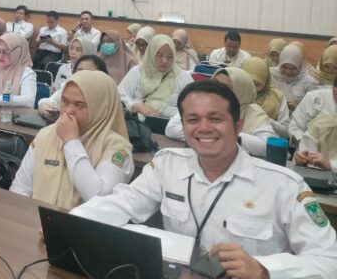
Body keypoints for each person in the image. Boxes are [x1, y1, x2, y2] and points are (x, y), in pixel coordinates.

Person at [70, 80, 337, 278]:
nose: (204, 128)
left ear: (238, 125)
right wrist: (72, 225)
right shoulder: (167, 164)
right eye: (193, 120)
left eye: (215, 119)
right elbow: (121, 203)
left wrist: (265, 270)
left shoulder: (284, 185)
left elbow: (329, 260)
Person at [10, 70, 133, 209]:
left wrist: (71, 142)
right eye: (65, 102)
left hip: (80, 223)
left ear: (100, 109)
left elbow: (99, 199)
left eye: (79, 105)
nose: (68, 111)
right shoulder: (46, 135)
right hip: (36, 218)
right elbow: (20, 188)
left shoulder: (118, 148)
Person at [166, 68, 276, 157]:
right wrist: (210, 137)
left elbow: (268, 146)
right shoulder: (203, 103)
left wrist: (226, 135)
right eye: (215, 84)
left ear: (241, 90)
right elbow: (171, 129)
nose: (216, 90)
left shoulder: (253, 112)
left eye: (225, 88)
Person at [118, 34, 193, 117]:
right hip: (137, 121)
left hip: (169, 123)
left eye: (169, 57)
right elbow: (120, 95)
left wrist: (168, 115)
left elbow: (193, 106)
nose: (164, 61)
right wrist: (136, 106)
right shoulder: (138, 71)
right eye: (159, 56)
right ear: (151, 54)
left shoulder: (182, 77)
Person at [37, 53, 108, 117]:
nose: (83, 74)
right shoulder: (70, 87)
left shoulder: (105, 96)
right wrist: (45, 109)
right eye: (80, 70)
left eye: (89, 72)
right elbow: (47, 102)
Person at [0, 33, 37, 108]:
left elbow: (29, 100)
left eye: (6, 52)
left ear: (18, 52)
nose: (0, 56)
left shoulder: (27, 73)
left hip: (15, 114)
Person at [243, 57, 289, 139]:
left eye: (257, 84)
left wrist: (263, 118)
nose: (252, 88)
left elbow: (285, 132)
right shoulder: (236, 92)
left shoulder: (277, 97)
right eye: (249, 82)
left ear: (266, 81)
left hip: (266, 141)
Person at [270, 44, 320, 110]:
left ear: (300, 66)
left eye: (293, 68)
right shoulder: (271, 75)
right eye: (284, 67)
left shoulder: (309, 82)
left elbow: (313, 107)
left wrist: (297, 108)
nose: (288, 71)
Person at [289, 77, 337, 142]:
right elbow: (295, 127)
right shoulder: (315, 97)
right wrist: (305, 145)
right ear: (334, 89)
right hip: (309, 145)